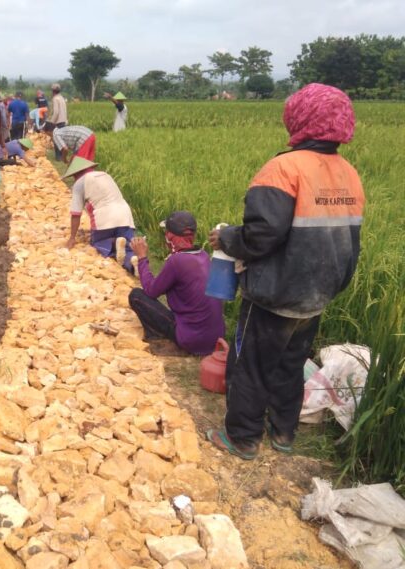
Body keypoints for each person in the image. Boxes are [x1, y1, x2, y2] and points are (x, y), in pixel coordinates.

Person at [206, 83, 365, 460]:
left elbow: (261, 235)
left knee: (251, 365)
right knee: (291, 364)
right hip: (318, 293)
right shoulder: (348, 174)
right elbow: (350, 239)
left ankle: (242, 437)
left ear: (299, 118)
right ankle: (283, 433)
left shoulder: (284, 168)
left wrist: (226, 237)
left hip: (276, 293)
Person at [128, 211, 225, 356]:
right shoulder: (204, 256)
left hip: (192, 339)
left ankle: (156, 338)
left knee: (136, 296)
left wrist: (142, 258)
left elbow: (151, 290)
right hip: (216, 338)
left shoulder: (177, 261)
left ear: (170, 236)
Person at [62, 157, 136, 273]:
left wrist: (72, 238)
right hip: (125, 216)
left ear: (75, 173)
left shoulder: (79, 184)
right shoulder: (105, 175)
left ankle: (112, 242)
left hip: (105, 218)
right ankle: (132, 262)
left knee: (97, 243)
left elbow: (76, 214)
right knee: (127, 248)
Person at [47, 83, 68, 160]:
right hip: (63, 121)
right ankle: (62, 155)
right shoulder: (62, 98)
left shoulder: (55, 99)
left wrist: (52, 122)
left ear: (53, 91)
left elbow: (56, 112)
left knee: (56, 139)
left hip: (58, 121)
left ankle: (58, 157)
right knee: (62, 139)